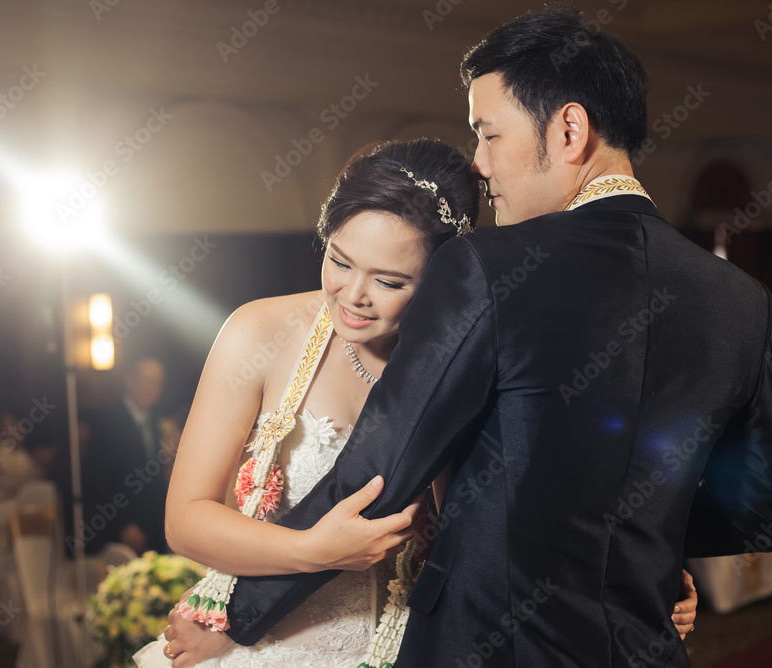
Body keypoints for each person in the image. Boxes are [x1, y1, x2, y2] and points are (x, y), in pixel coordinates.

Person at [179, 7, 772, 667]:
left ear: (568, 129)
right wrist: (644, 540)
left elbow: (379, 476)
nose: (479, 165)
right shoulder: (742, 299)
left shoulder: (489, 268)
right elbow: (762, 509)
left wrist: (239, 619)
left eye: (489, 134)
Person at [132, 139, 698, 668]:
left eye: (390, 281)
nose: (353, 295)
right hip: (249, 646)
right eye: (340, 260)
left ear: (443, 280)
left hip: (412, 648)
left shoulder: (483, 361)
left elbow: (523, 521)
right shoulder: (258, 332)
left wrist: (640, 583)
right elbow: (186, 520)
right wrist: (314, 549)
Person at [82, 356, 169, 555]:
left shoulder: (154, 421)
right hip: (122, 527)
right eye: (144, 380)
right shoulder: (108, 420)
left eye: (156, 382)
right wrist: (123, 525)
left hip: (152, 525)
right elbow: (97, 479)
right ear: (129, 380)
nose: (150, 387)